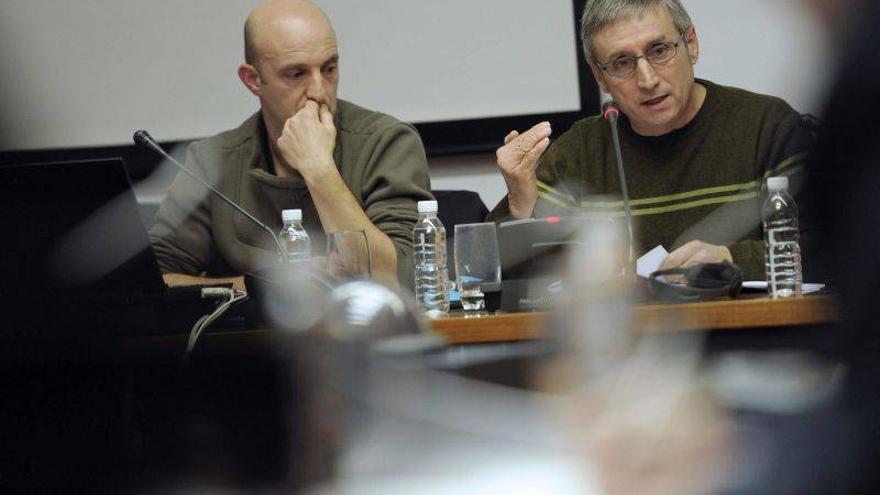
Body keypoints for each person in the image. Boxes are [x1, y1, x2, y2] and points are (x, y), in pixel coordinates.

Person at [489, 0, 816, 280]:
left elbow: (836, 244)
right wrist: (521, 207)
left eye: (659, 50)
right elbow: (484, 271)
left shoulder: (767, 127)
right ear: (600, 77)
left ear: (691, 45)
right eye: (621, 63)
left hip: (750, 341)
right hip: (622, 347)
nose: (647, 79)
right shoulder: (579, 152)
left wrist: (731, 261)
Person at [149, 0, 432, 289]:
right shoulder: (211, 162)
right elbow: (154, 283)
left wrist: (319, 170)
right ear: (253, 80)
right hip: (253, 334)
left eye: (329, 68)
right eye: (296, 74)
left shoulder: (386, 141)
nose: (319, 92)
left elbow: (403, 279)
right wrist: (264, 289)